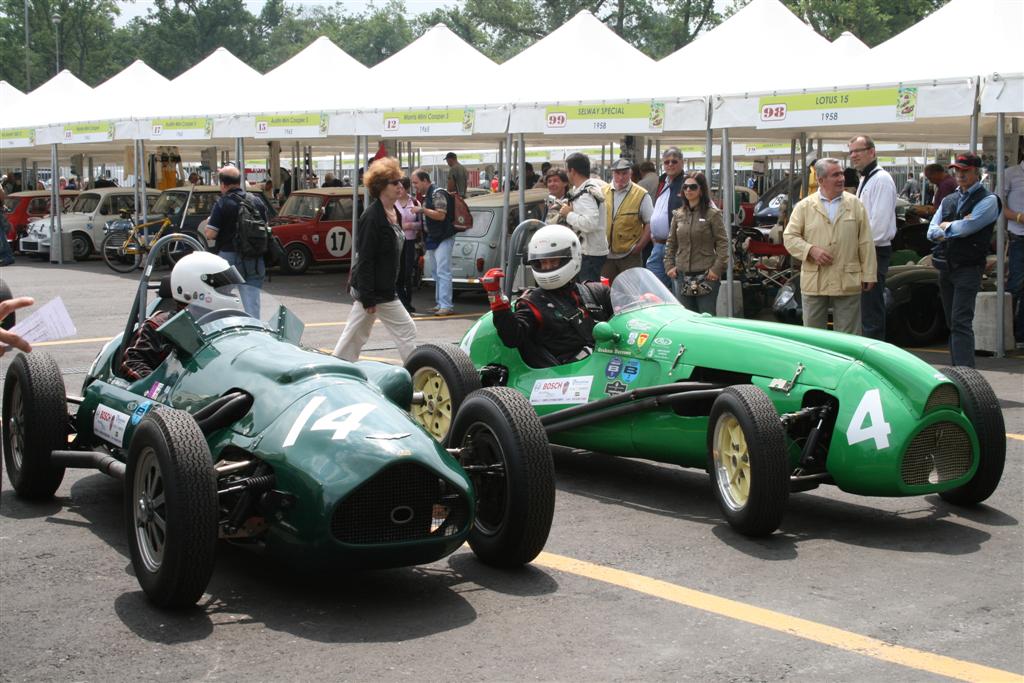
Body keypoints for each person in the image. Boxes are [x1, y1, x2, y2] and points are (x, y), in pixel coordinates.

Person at [481, 225, 612, 368]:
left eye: (553, 261)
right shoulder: (532, 303)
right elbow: (512, 338)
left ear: (573, 257)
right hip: (565, 374)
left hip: (606, 365)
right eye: (543, 262)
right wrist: (497, 300)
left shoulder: (596, 292)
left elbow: (627, 317)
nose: (547, 267)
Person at [332, 158, 418, 363]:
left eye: (400, 181)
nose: (400, 186)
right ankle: (416, 372)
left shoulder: (394, 212)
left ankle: (336, 367)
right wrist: (369, 297)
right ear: (381, 187)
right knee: (406, 329)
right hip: (377, 290)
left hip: (381, 287)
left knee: (354, 336)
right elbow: (365, 258)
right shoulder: (371, 217)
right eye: (394, 182)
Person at [784, 158, 877, 335]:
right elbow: (789, 237)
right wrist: (810, 250)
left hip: (847, 279)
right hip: (815, 280)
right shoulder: (804, 206)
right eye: (835, 175)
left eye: (841, 173)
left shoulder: (855, 204)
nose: (841, 178)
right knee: (813, 336)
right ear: (821, 180)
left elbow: (865, 241)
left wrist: (869, 274)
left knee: (848, 336)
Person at [928, 154, 1001, 367]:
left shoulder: (989, 200)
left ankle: (965, 372)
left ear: (976, 172)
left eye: (965, 170)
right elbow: (931, 232)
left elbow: (968, 228)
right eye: (957, 170)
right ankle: (960, 370)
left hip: (968, 267)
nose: (960, 174)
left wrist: (947, 227)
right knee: (953, 322)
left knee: (960, 322)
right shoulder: (949, 199)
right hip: (947, 266)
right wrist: (953, 228)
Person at [121, 254, 243, 380]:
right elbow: (133, 362)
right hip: (179, 388)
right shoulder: (160, 325)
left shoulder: (229, 321)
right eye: (223, 287)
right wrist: (159, 386)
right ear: (194, 287)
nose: (229, 290)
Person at [849, 135, 897, 341]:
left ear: (872, 152)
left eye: (857, 151)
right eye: (851, 152)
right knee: (865, 308)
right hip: (866, 248)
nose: (853, 156)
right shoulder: (866, 179)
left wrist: (856, 247)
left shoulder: (881, 180)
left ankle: (873, 349)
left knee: (871, 309)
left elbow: (879, 226)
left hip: (874, 250)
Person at [204, 165, 268, 318]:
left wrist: (208, 223)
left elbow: (211, 234)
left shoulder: (222, 203)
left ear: (223, 184)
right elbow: (265, 226)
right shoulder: (256, 201)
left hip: (228, 258)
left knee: (218, 296)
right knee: (252, 301)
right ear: (239, 182)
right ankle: (254, 327)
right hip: (254, 257)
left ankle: (222, 326)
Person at [665, 171, 729, 315]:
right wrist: (669, 265)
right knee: (685, 319)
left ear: (701, 190)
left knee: (706, 317)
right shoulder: (678, 214)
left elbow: (723, 243)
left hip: (706, 276)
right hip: (681, 275)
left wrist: (716, 269)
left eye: (693, 187)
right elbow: (671, 242)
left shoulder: (713, 214)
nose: (688, 190)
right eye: (685, 187)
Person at [410, 169, 456, 316]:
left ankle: (446, 305)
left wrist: (422, 210)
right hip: (434, 237)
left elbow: (441, 215)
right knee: (437, 272)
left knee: (442, 272)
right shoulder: (430, 195)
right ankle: (441, 303)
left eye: (416, 182)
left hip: (442, 237)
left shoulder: (437, 193)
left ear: (425, 180)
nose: (414, 186)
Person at [558, 152, 608, 282]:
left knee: (588, 291)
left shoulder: (586, 193)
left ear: (572, 171)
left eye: (567, 171)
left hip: (590, 255)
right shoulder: (584, 189)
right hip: (589, 252)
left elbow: (590, 223)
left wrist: (568, 214)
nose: (566, 174)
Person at [602, 158, 653, 282]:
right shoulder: (602, 192)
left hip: (629, 256)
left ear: (630, 173)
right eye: (617, 173)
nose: (621, 177)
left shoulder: (641, 194)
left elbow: (650, 223)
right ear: (612, 173)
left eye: (624, 173)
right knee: (606, 289)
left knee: (631, 289)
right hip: (606, 255)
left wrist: (639, 247)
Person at [647, 148, 686, 289]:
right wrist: (653, 235)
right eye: (666, 162)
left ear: (682, 162)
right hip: (658, 245)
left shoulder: (688, 184)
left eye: (674, 161)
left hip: (677, 247)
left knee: (678, 289)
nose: (670, 165)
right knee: (654, 289)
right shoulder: (662, 182)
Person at [1002, 150, 1024, 349]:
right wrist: (1018, 217)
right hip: (1019, 236)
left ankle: (1021, 334)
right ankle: (1005, 333)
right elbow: (999, 205)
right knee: (1016, 284)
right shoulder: (1011, 173)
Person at [395, 177, 421, 313]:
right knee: (398, 272)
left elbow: (421, 224)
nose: (398, 191)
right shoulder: (392, 203)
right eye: (397, 188)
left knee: (408, 272)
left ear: (406, 189)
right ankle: (402, 303)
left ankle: (407, 301)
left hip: (410, 241)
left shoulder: (415, 202)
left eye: (401, 188)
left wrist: (410, 225)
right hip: (396, 242)